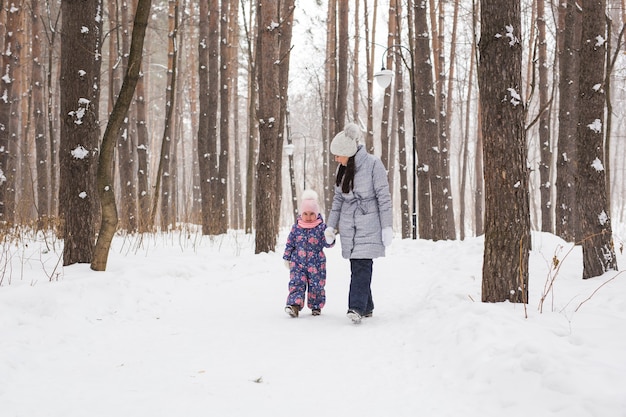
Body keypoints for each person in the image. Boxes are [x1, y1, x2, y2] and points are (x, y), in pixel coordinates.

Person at [324, 123, 393, 324]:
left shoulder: (373, 164)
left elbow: (383, 197)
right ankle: (367, 306)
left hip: (369, 222)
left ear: (348, 152)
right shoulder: (343, 169)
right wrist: (331, 226)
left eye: (338, 155)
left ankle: (356, 307)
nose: (336, 159)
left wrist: (386, 226)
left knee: (362, 265)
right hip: (348, 224)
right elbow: (338, 200)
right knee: (358, 265)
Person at [283, 189, 335, 318]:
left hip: (316, 263)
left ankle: (316, 306)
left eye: (312, 213)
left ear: (316, 213)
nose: (308, 216)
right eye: (305, 213)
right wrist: (287, 257)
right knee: (296, 283)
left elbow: (328, 244)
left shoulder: (321, 227)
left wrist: (330, 237)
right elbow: (290, 243)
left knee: (316, 285)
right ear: (301, 214)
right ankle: (294, 306)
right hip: (297, 263)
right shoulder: (296, 228)